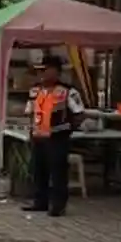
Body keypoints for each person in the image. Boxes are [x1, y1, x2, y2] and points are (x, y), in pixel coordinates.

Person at [22, 54, 84, 217]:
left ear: (57, 72)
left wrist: (68, 129)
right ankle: (40, 202)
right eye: (41, 70)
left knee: (58, 173)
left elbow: (79, 114)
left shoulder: (68, 92)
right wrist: (31, 130)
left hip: (57, 138)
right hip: (38, 137)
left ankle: (58, 205)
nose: (43, 74)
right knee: (39, 170)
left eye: (47, 70)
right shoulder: (36, 90)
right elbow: (30, 111)